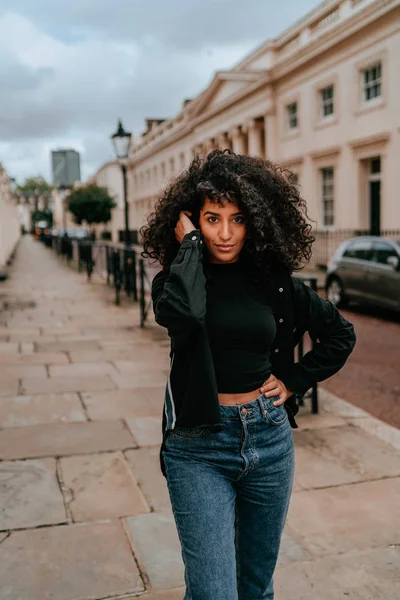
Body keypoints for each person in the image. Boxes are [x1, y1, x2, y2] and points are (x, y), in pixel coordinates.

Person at [141, 149, 356, 600]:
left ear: (254, 221)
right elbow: (182, 314)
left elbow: (340, 335)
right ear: (191, 220)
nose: (224, 233)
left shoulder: (273, 282)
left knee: (256, 588)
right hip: (198, 447)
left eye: (237, 219)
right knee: (213, 592)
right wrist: (190, 249)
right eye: (212, 218)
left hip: (269, 438)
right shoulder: (175, 280)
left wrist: (295, 380)